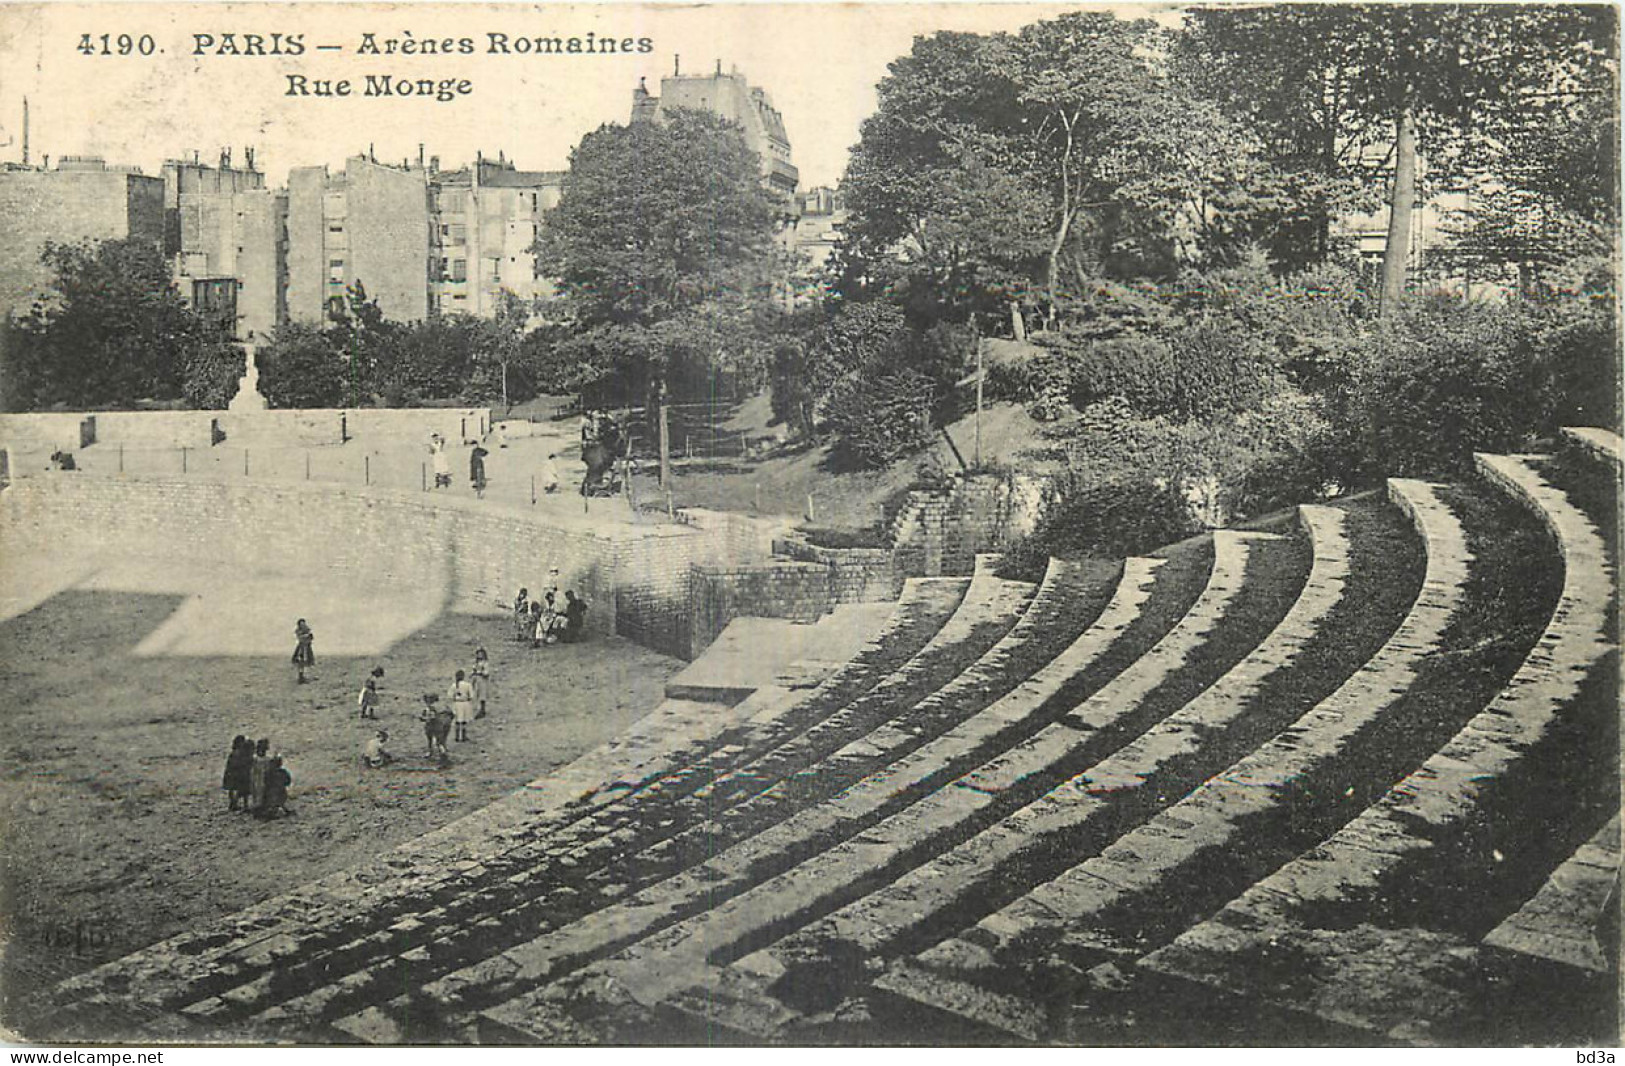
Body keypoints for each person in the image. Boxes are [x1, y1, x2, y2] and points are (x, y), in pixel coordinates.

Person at [222, 736, 253, 811]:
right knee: (244, 790)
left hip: (232, 773)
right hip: (240, 775)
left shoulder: (234, 754)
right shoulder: (243, 754)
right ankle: (243, 805)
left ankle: (233, 803)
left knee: (232, 789)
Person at [420, 694, 453, 760]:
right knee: (442, 739)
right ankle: (443, 751)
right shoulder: (444, 706)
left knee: (431, 739)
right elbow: (452, 714)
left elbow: (430, 717)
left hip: (434, 725)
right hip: (446, 723)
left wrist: (423, 719)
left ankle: (434, 752)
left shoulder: (430, 708)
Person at [449, 669, 475, 742]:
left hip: (457, 704)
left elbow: (450, 696)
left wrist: (455, 698)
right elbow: (472, 696)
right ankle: (463, 736)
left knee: (457, 720)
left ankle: (457, 737)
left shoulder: (454, 685)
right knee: (464, 720)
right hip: (465, 704)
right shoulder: (467, 685)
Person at [249, 738, 272, 812]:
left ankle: (259, 805)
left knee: (259, 790)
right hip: (258, 776)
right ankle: (258, 805)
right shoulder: (261, 759)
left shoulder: (259, 759)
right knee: (258, 790)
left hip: (260, 776)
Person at [292, 619, 315, 683]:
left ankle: (304, 677)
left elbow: (311, 638)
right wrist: (306, 636)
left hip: (307, 648)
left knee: (307, 663)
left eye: (303, 624)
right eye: (301, 624)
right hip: (301, 648)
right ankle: (301, 677)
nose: (303, 625)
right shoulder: (298, 631)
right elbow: (300, 638)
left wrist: (308, 637)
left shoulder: (307, 630)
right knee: (300, 662)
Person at [471, 647, 492, 719]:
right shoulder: (476, 664)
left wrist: (480, 672)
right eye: (478, 654)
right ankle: (478, 709)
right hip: (477, 680)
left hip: (483, 680)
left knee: (482, 695)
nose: (479, 655)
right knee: (477, 694)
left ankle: (482, 710)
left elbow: (486, 673)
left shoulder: (485, 663)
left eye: (481, 654)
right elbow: (473, 672)